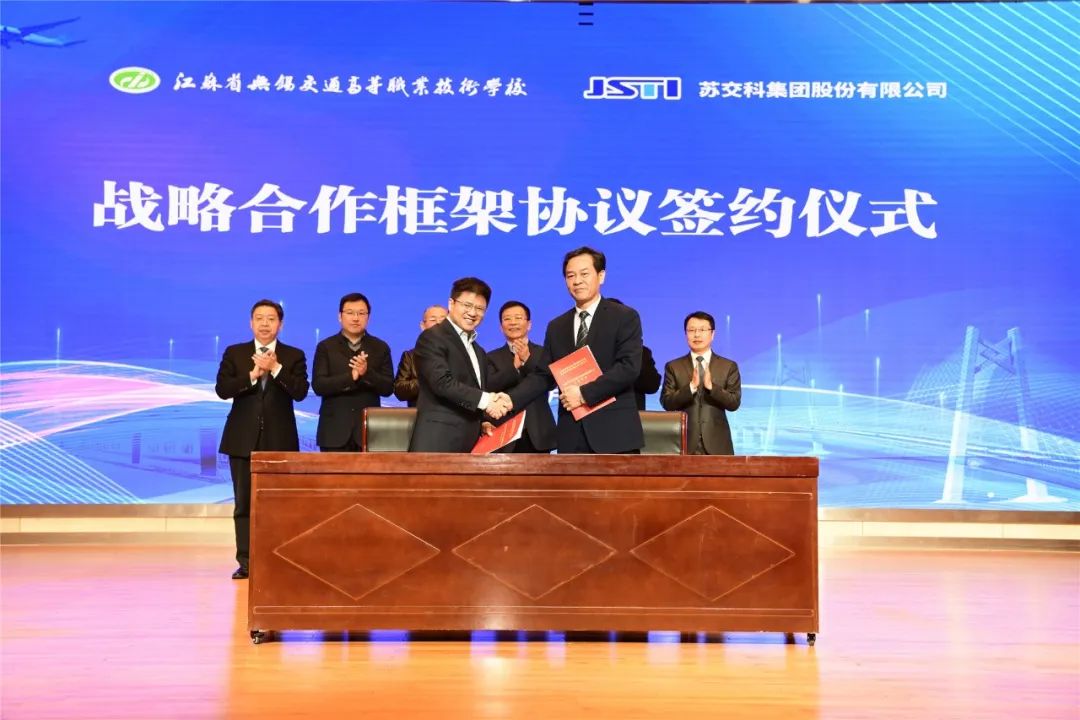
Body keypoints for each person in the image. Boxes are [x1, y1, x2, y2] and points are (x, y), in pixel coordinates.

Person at [507, 247, 643, 454]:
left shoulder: (624, 317)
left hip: (614, 433)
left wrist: (583, 394)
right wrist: (510, 399)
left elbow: (628, 368)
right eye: (571, 276)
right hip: (571, 433)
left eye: (584, 274)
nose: (577, 281)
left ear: (601, 276)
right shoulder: (557, 326)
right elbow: (544, 375)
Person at [215, 299, 309, 579]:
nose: (265, 323)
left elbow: (300, 392)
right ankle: (246, 561)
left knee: (280, 505)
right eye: (259, 318)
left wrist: (277, 368)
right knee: (244, 504)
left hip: (280, 440)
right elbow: (222, 389)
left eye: (271, 318)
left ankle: (278, 559)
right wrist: (252, 376)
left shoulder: (293, 355)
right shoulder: (235, 353)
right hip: (242, 439)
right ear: (251, 323)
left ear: (280, 324)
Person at [407, 278, 509, 452]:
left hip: (468, 445)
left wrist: (481, 422)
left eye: (480, 308)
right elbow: (442, 383)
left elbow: (469, 392)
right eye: (467, 305)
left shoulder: (478, 350)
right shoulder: (432, 337)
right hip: (437, 443)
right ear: (451, 303)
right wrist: (488, 400)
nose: (473, 312)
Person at [311, 292, 394, 452]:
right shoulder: (326, 347)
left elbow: (388, 388)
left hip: (369, 432)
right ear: (340, 316)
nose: (356, 318)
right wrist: (351, 377)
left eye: (361, 313)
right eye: (350, 313)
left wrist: (366, 373)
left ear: (368, 317)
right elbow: (319, 385)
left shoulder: (380, 347)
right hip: (334, 432)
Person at [660, 311, 742, 455]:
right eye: (691, 330)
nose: (696, 335)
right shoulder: (674, 366)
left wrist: (712, 388)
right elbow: (667, 403)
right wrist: (691, 387)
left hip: (718, 443)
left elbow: (734, 403)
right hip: (683, 443)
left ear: (712, 334)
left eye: (702, 330)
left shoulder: (728, 366)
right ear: (686, 334)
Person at [486, 300, 557, 453]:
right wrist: (513, 368)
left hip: (538, 433)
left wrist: (527, 360)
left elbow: (551, 381)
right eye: (507, 319)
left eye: (518, 318)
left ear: (529, 324)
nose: (513, 322)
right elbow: (489, 386)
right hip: (504, 433)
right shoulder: (491, 357)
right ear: (501, 327)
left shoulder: (543, 353)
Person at [608, 298, 661, 410]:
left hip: (631, 415)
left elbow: (652, 386)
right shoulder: (587, 351)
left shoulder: (642, 352)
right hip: (597, 416)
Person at [393, 305, 447, 407]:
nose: (438, 323)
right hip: (420, 414)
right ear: (423, 326)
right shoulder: (410, 356)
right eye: (433, 320)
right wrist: (424, 382)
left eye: (443, 320)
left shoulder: (461, 354)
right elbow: (399, 391)